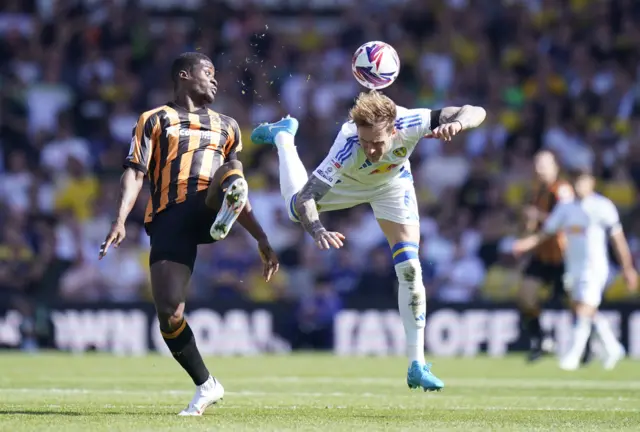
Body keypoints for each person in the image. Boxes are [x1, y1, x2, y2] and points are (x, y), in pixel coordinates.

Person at [251, 90, 486, 391]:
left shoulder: (412, 121)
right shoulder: (348, 146)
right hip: (348, 184)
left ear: (393, 129)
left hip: (390, 183)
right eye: (366, 143)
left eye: (378, 143)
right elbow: (308, 197)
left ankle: (417, 364)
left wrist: (460, 124)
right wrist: (318, 229)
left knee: (411, 268)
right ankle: (284, 137)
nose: (372, 150)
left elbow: (474, 108)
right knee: (296, 212)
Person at [98, 52, 279, 416]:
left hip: (210, 202)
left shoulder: (227, 125)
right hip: (168, 216)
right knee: (169, 312)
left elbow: (237, 185)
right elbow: (135, 172)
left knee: (230, 176)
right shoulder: (154, 119)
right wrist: (120, 220)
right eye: (207, 72)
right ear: (184, 75)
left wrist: (261, 237)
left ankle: (222, 215)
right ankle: (207, 384)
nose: (214, 80)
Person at [512, 166, 638, 370]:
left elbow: (618, 240)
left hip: (595, 266)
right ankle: (613, 347)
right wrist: (525, 244)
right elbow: (546, 233)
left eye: (583, 181)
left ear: (592, 182)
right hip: (573, 267)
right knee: (585, 309)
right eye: (575, 181)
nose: (579, 185)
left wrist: (628, 268)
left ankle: (573, 354)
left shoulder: (602, 206)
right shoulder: (566, 208)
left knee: (582, 308)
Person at [518, 150, 574, 362]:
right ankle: (541, 340)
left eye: (543, 164)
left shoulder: (562, 190)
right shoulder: (536, 192)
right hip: (542, 255)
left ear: (555, 166)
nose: (539, 168)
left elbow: (566, 219)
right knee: (525, 296)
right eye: (536, 164)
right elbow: (533, 225)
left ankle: (586, 345)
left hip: (562, 255)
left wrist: (537, 216)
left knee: (574, 303)